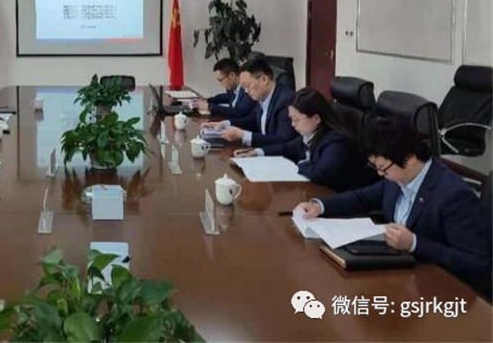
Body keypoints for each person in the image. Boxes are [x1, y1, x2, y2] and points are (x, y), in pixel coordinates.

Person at [296, 117, 492, 298]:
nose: (380, 174)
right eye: (376, 167)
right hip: (400, 275)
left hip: (439, 292)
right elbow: (362, 197)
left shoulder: (453, 195)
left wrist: (415, 243)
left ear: (411, 158)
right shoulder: (397, 179)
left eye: (383, 167)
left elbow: (476, 263)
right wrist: (320, 206)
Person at [241, 87, 378, 190]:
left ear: (316, 118)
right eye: (291, 119)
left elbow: (321, 174)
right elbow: (288, 147)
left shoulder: (336, 141)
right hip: (319, 190)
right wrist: (257, 152)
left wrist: (300, 164)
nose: (292, 125)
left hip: (342, 197)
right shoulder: (312, 132)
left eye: (296, 120)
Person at [202, 58, 298, 154]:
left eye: (248, 85)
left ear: (264, 79)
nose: (246, 91)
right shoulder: (262, 96)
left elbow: (283, 139)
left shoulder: (286, 100)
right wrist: (224, 124)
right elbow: (252, 121)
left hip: (281, 158)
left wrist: (243, 135)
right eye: (244, 87)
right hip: (263, 152)